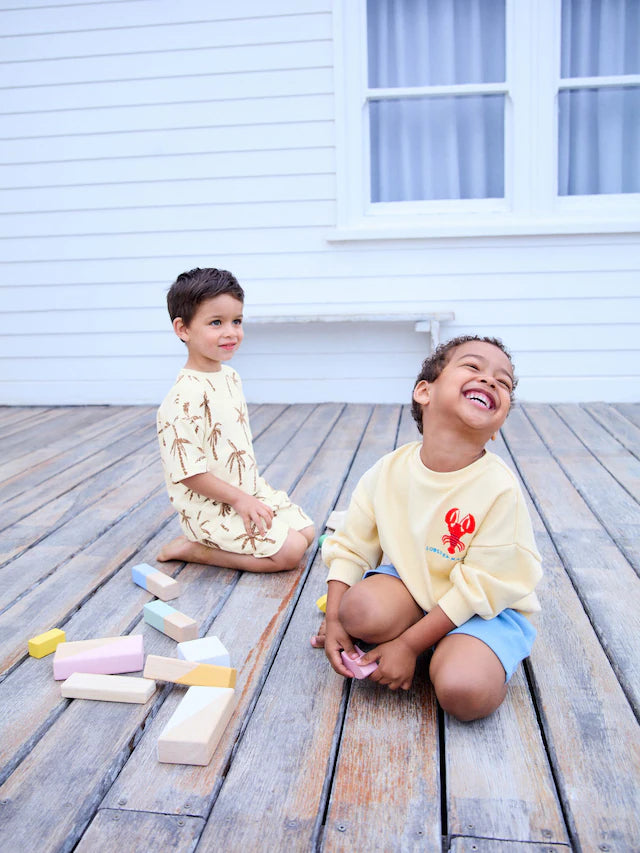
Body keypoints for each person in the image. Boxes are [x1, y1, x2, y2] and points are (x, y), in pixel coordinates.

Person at [311, 335, 542, 721]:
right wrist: (334, 619)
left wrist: (407, 646)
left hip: (482, 610)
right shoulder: (387, 471)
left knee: (464, 692)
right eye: (473, 367)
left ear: (498, 425)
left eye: (503, 383)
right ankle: (417, 630)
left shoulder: (499, 488)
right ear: (424, 391)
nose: (490, 381)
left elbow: (482, 587)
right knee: (358, 611)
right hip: (413, 585)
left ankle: (468, 653)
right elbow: (351, 546)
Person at [156, 267, 315, 572]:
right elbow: (188, 473)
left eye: (236, 321)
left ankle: (243, 523)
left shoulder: (229, 377)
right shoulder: (182, 398)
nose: (231, 332)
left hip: (246, 491)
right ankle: (195, 548)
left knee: (306, 533)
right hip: (211, 506)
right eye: (216, 322)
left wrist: (248, 496)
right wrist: (240, 501)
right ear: (183, 329)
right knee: (290, 553)